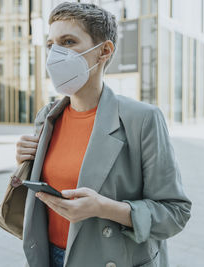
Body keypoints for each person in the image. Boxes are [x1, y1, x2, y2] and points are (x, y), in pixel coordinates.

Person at [16, 2, 192, 267]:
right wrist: (25, 163)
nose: (55, 54)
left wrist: (103, 207)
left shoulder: (142, 119)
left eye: (68, 41)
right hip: (50, 257)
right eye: (51, 44)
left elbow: (175, 213)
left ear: (104, 51)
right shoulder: (47, 116)